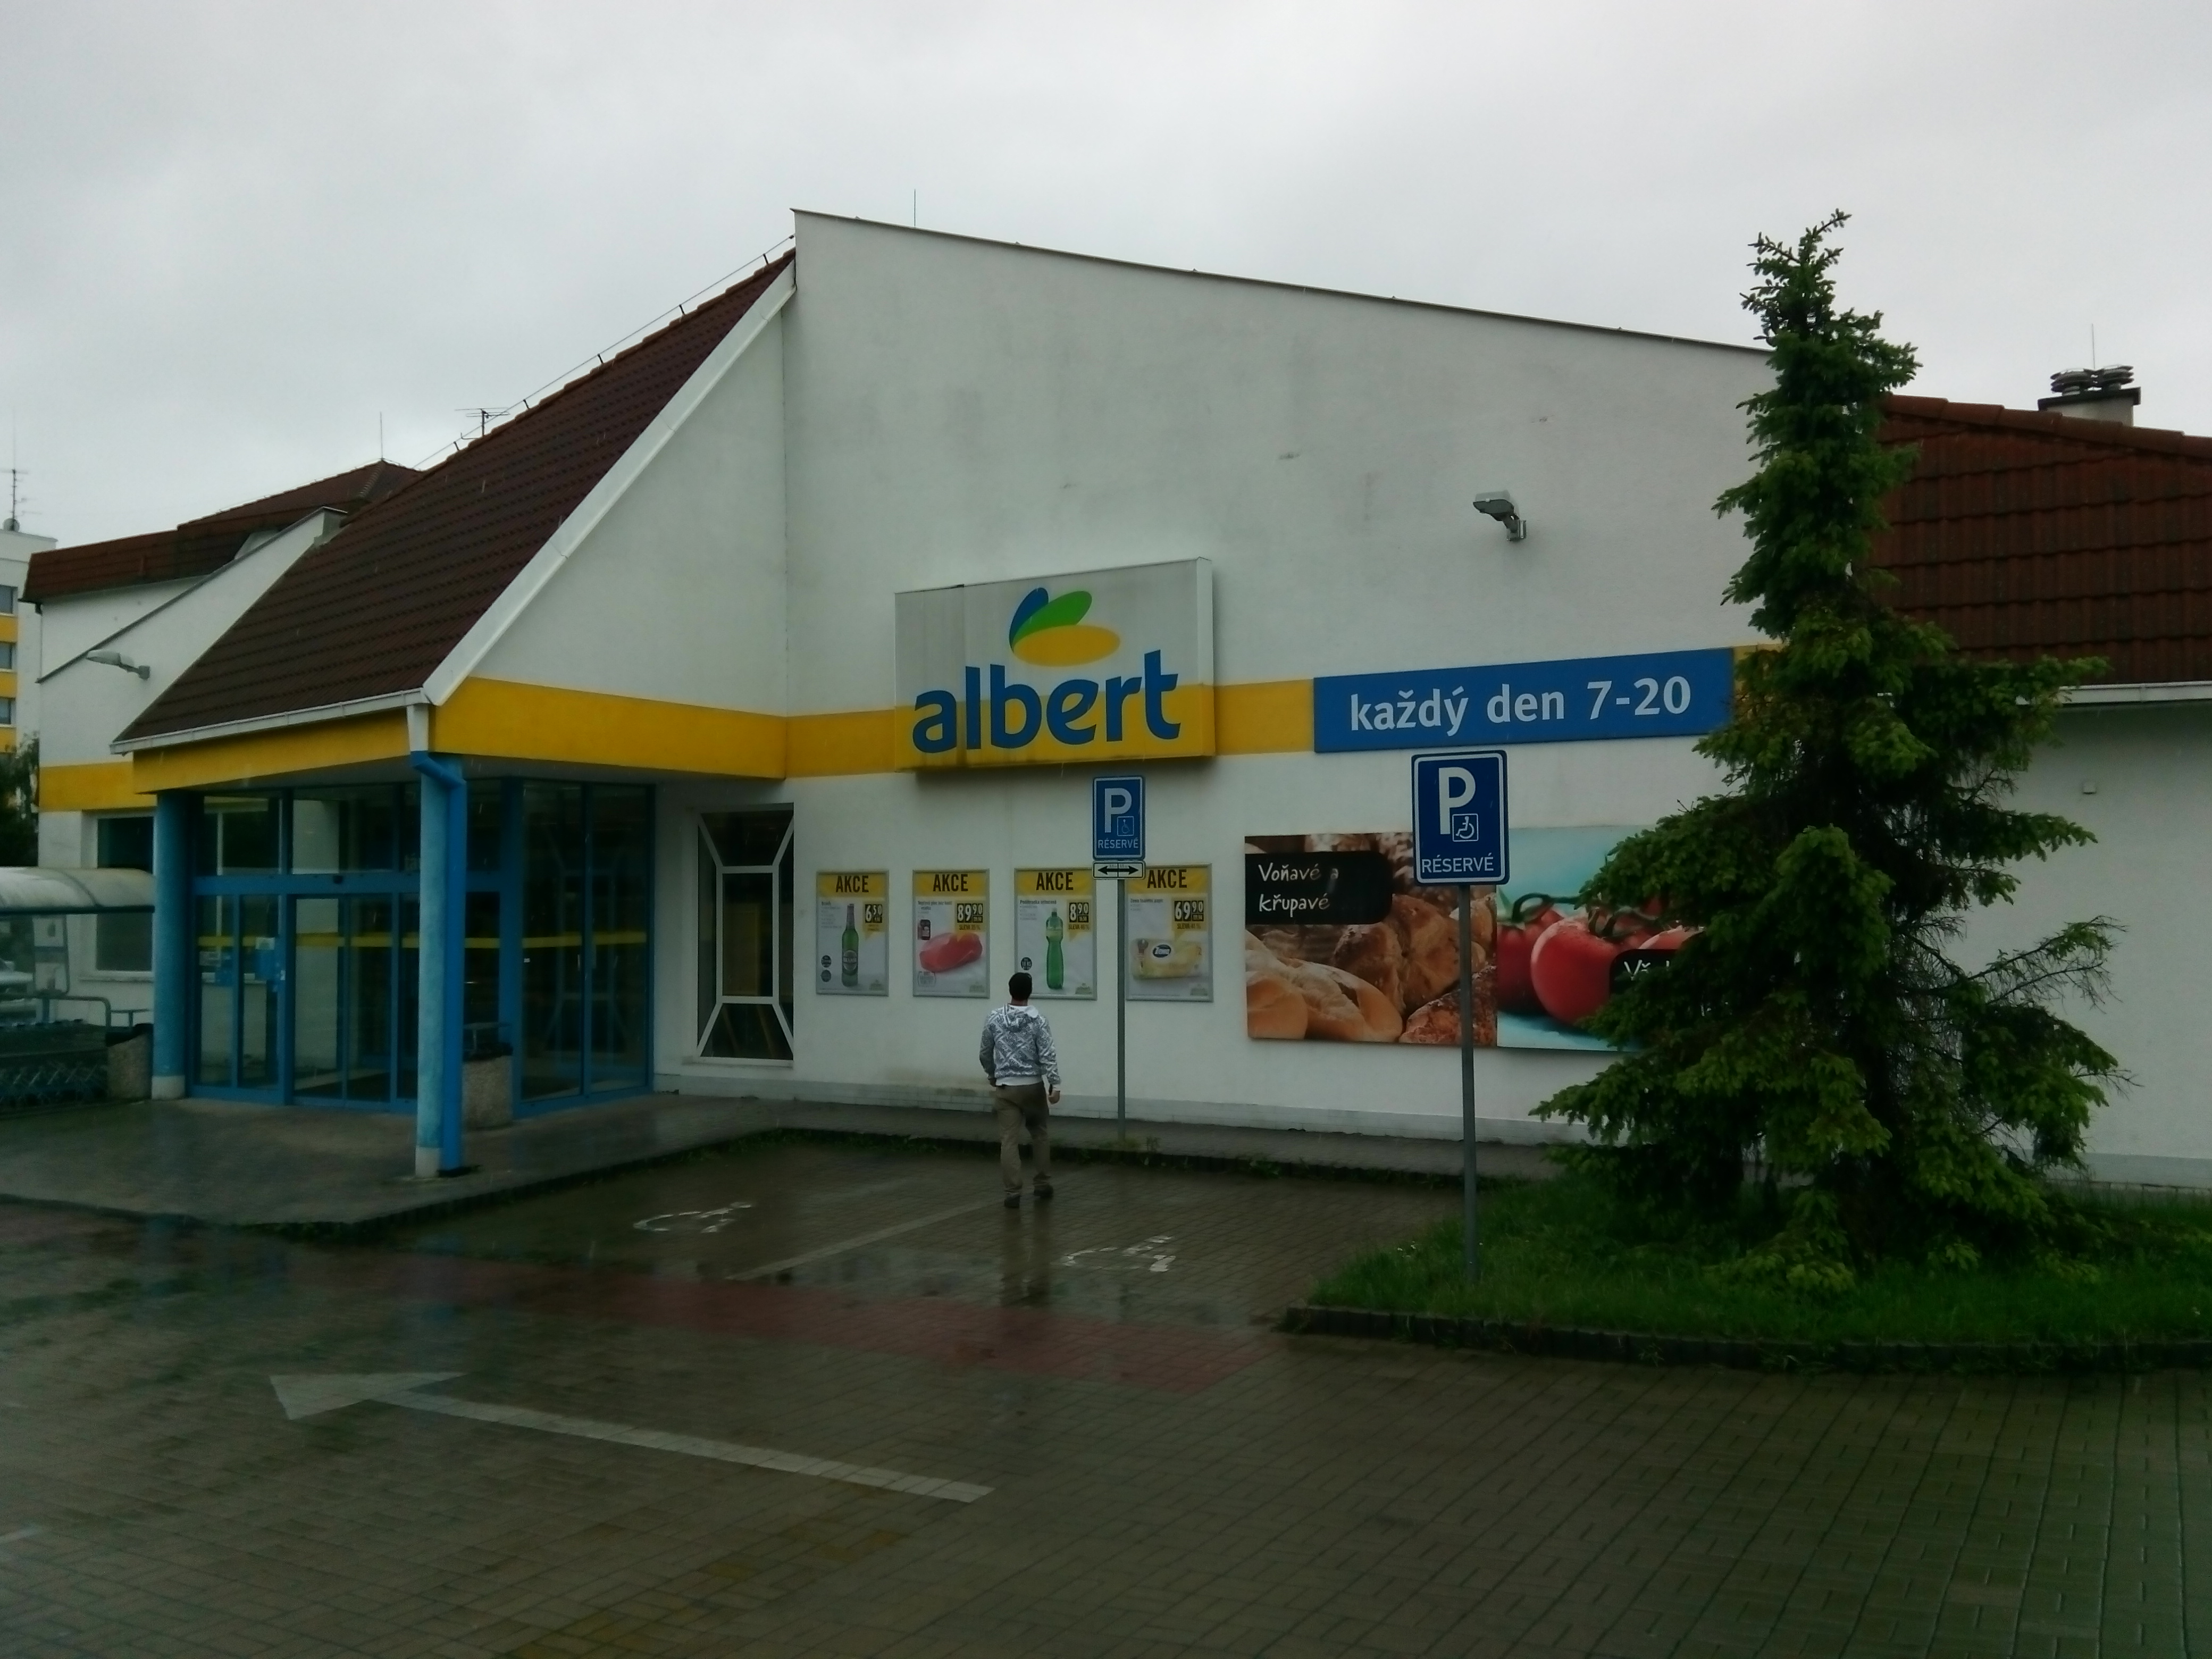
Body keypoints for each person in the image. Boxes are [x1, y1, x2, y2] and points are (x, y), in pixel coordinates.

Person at [980, 970, 1060, 1208]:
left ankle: (1013, 1193)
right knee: (1040, 1135)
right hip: (1033, 1087)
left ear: (1010, 990)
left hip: (1006, 1088)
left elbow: (985, 1052)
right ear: (1030, 992)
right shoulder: (1039, 1020)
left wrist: (993, 1075)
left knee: (1009, 1141)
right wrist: (1055, 1083)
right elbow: (1048, 1054)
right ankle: (1042, 1184)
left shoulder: (994, 1018)